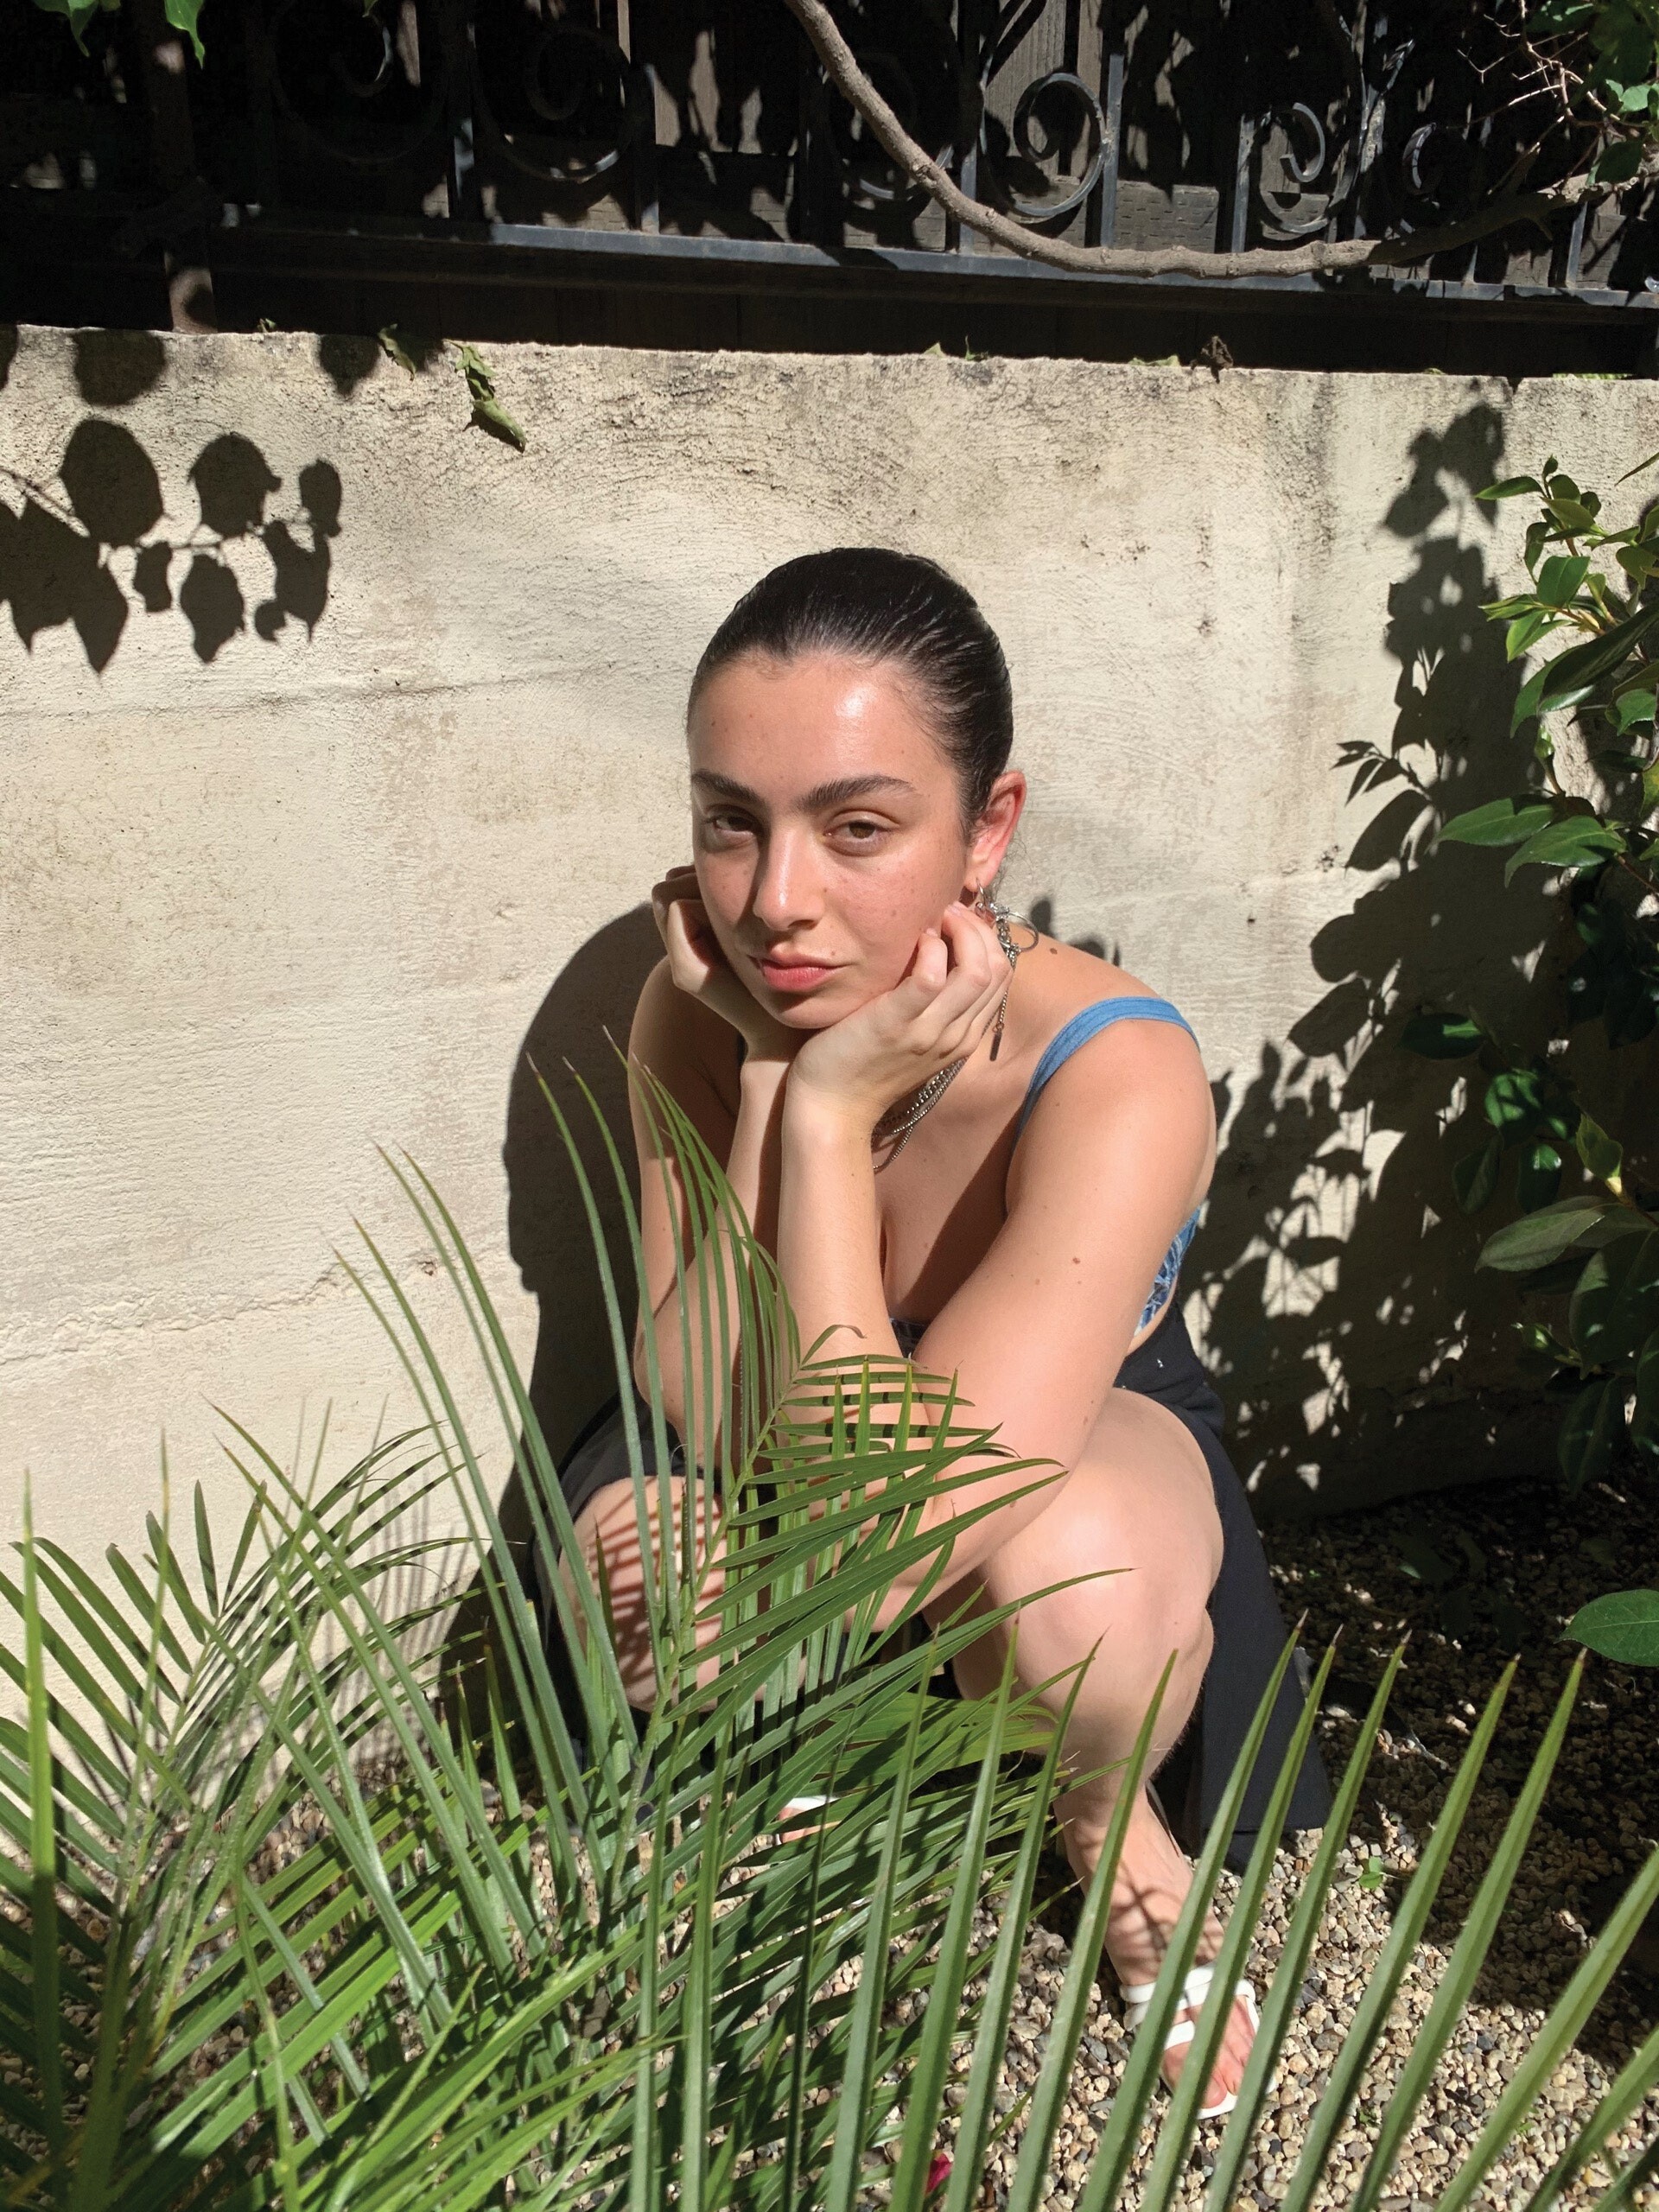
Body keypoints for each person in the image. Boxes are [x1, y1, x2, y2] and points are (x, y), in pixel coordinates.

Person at [549, 548, 1329, 2119]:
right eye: (730, 822)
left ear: (987, 829)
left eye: (858, 828)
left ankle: (1107, 1825)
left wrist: (828, 1122)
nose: (776, 901)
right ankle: (812, 1764)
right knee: (640, 1585)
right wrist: (772, 1078)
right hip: (767, 1419)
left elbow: (885, 1534)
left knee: (1072, 1593)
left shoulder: (1112, 1067)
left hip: (1055, 1439)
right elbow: (686, 1377)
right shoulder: (695, 1005)